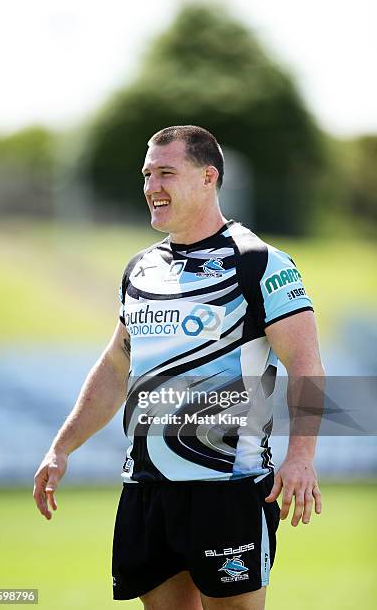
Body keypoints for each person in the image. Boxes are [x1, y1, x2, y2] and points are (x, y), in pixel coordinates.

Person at [33, 125, 324, 610]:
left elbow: (308, 366)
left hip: (228, 488)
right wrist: (62, 448)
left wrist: (301, 458)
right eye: (147, 175)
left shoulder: (260, 263)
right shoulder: (140, 270)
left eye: (166, 172)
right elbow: (114, 367)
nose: (151, 187)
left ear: (209, 177)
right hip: (147, 488)